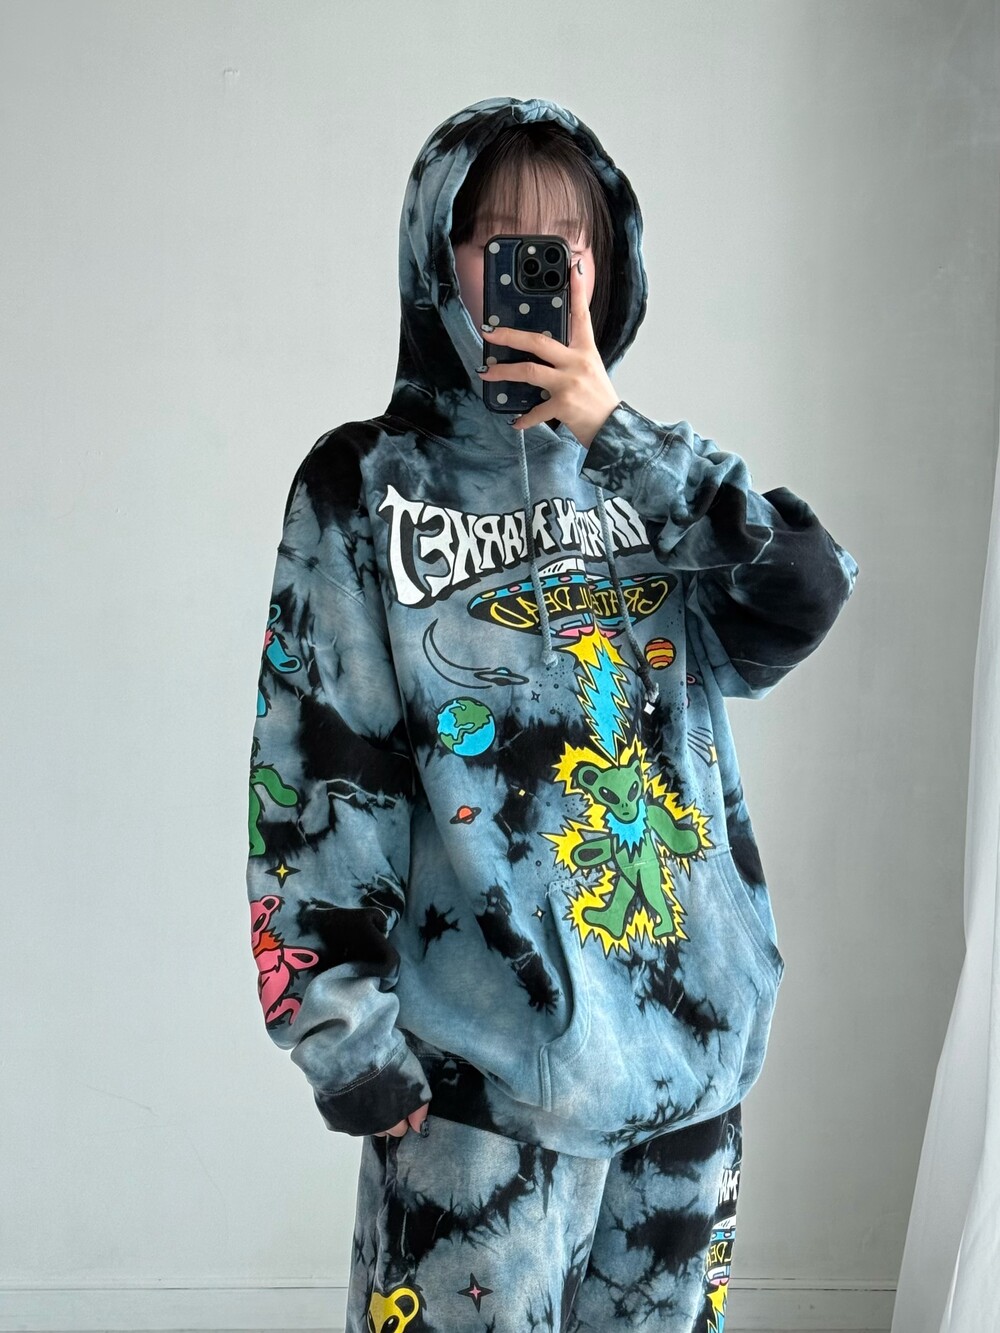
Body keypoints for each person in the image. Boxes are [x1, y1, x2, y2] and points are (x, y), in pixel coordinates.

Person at [246, 95, 859, 1333]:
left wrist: (616, 432)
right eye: (500, 241)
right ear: (440, 257)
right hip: (479, 1101)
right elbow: (319, 768)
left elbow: (806, 591)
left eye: (567, 244)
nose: (537, 270)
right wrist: (346, 1040)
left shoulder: (654, 485)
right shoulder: (362, 484)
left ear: (605, 263)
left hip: (686, 1081)